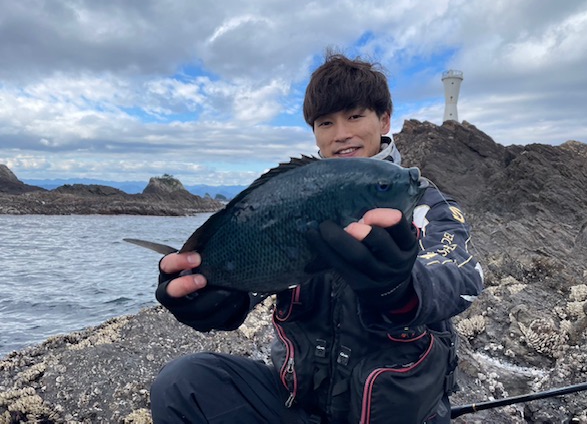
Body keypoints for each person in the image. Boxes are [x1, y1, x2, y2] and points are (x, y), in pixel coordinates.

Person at [150, 53, 484, 423]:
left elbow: (462, 275)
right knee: (183, 385)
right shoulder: (297, 196)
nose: (341, 133)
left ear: (384, 120)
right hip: (299, 407)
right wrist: (209, 295)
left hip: (395, 413)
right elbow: (253, 276)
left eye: (355, 116)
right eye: (326, 122)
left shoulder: (423, 201)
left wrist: (401, 288)